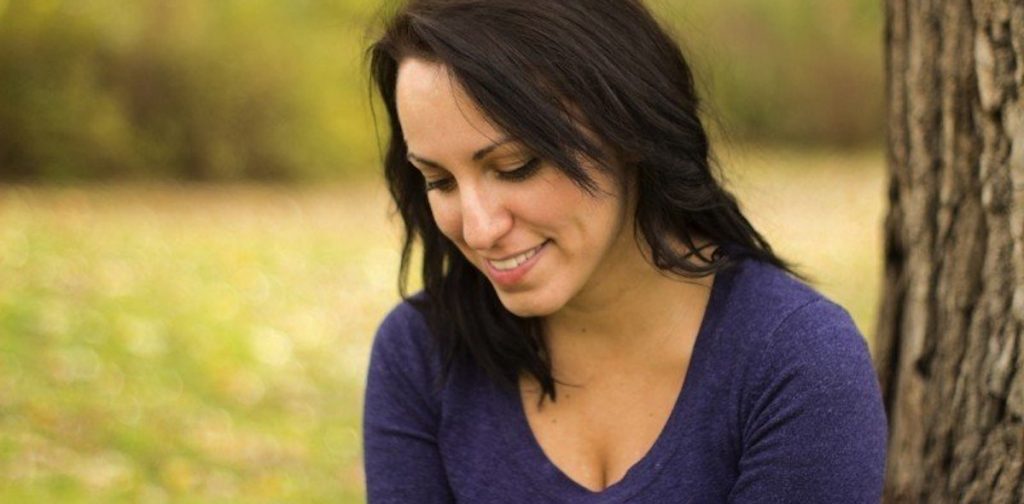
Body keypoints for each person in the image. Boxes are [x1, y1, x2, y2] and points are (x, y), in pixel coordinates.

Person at [362, 0, 887, 502]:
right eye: (439, 180)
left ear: (626, 129)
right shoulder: (421, 354)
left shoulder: (794, 363)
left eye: (516, 167)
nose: (479, 230)